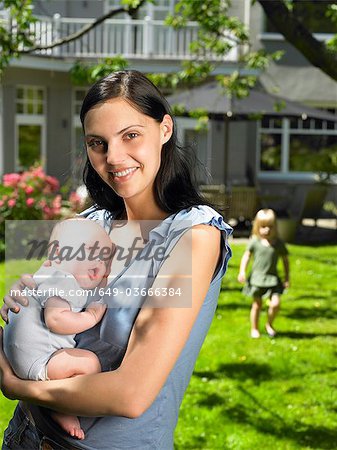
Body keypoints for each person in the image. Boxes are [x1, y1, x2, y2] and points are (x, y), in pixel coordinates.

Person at [0, 70, 232, 450]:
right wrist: (23, 307)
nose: (113, 157)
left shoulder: (194, 236)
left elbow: (131, 395)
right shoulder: (88, 225)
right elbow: (41, 322)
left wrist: (17, 385)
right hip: (25, 437)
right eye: (98, 143)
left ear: (165, 129)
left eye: (131, 135)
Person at [3, 218, 113, 440]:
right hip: (37, 362)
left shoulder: (49, 273)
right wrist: (90, 316)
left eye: (103, 259)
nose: (100, 266)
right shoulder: (64, 283)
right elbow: (56, 320)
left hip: (16, 355)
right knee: (88, 363)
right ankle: (61, 409)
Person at [237, 208, 290, 338]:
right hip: (257, 279)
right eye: (263, 227)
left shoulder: (278, 244)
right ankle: (254, 329)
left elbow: (285, 261)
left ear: (275, 227)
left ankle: (269, 324)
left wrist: (287, 277)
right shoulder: (255, 241)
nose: (266, 230)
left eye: (270, 227)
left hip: (273, 279)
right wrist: (242, 271)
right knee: (257, 305)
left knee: (276, 304)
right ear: (257, 227)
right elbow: (246, 256)